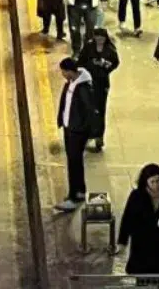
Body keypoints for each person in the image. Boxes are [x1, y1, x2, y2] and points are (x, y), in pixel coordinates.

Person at [118, 163, 159, 279]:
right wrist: (122, 241)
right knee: (141, 277)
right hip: (141, 243)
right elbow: (127, 218)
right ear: (146, 182)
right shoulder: (137, 196)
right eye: (152, 182)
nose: (156, 185)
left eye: (158, 181)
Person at [55, 57, 97, 211]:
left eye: (63, 71)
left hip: (76, 131)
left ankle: (74, 196)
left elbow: (89, 111)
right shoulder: (71, 83)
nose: (62, 74)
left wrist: (84, 129)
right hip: (69, 127)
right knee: (74, 161)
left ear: (69, 71)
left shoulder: (83, 88)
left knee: (74, 162)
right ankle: (78, 192)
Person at [77, 28, 120, 151]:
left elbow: (115, 63)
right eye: (97, 37)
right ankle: (87, 134)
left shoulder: (110, 50)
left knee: (100, 110)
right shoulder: (88, 48)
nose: (99, 40)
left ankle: (99, 136)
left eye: (102, 37)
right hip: (89, 82)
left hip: (102, 84)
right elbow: (81, 61)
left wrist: (106, 66)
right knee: (87, 109)